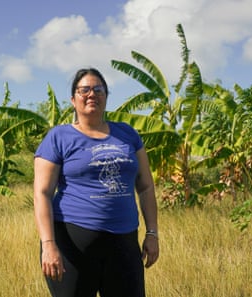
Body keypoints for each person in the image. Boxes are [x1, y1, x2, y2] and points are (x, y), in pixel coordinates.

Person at [34, 67, 159, 297]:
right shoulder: (58, 137)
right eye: (84, 90)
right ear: (73, 99)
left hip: (124, 243)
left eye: (98, 89)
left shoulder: (127, 134)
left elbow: (146, 186)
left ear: (106, 96)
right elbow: (42, 193)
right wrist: (49, 245)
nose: (92, 94)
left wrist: (152, 233)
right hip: (72, 245)